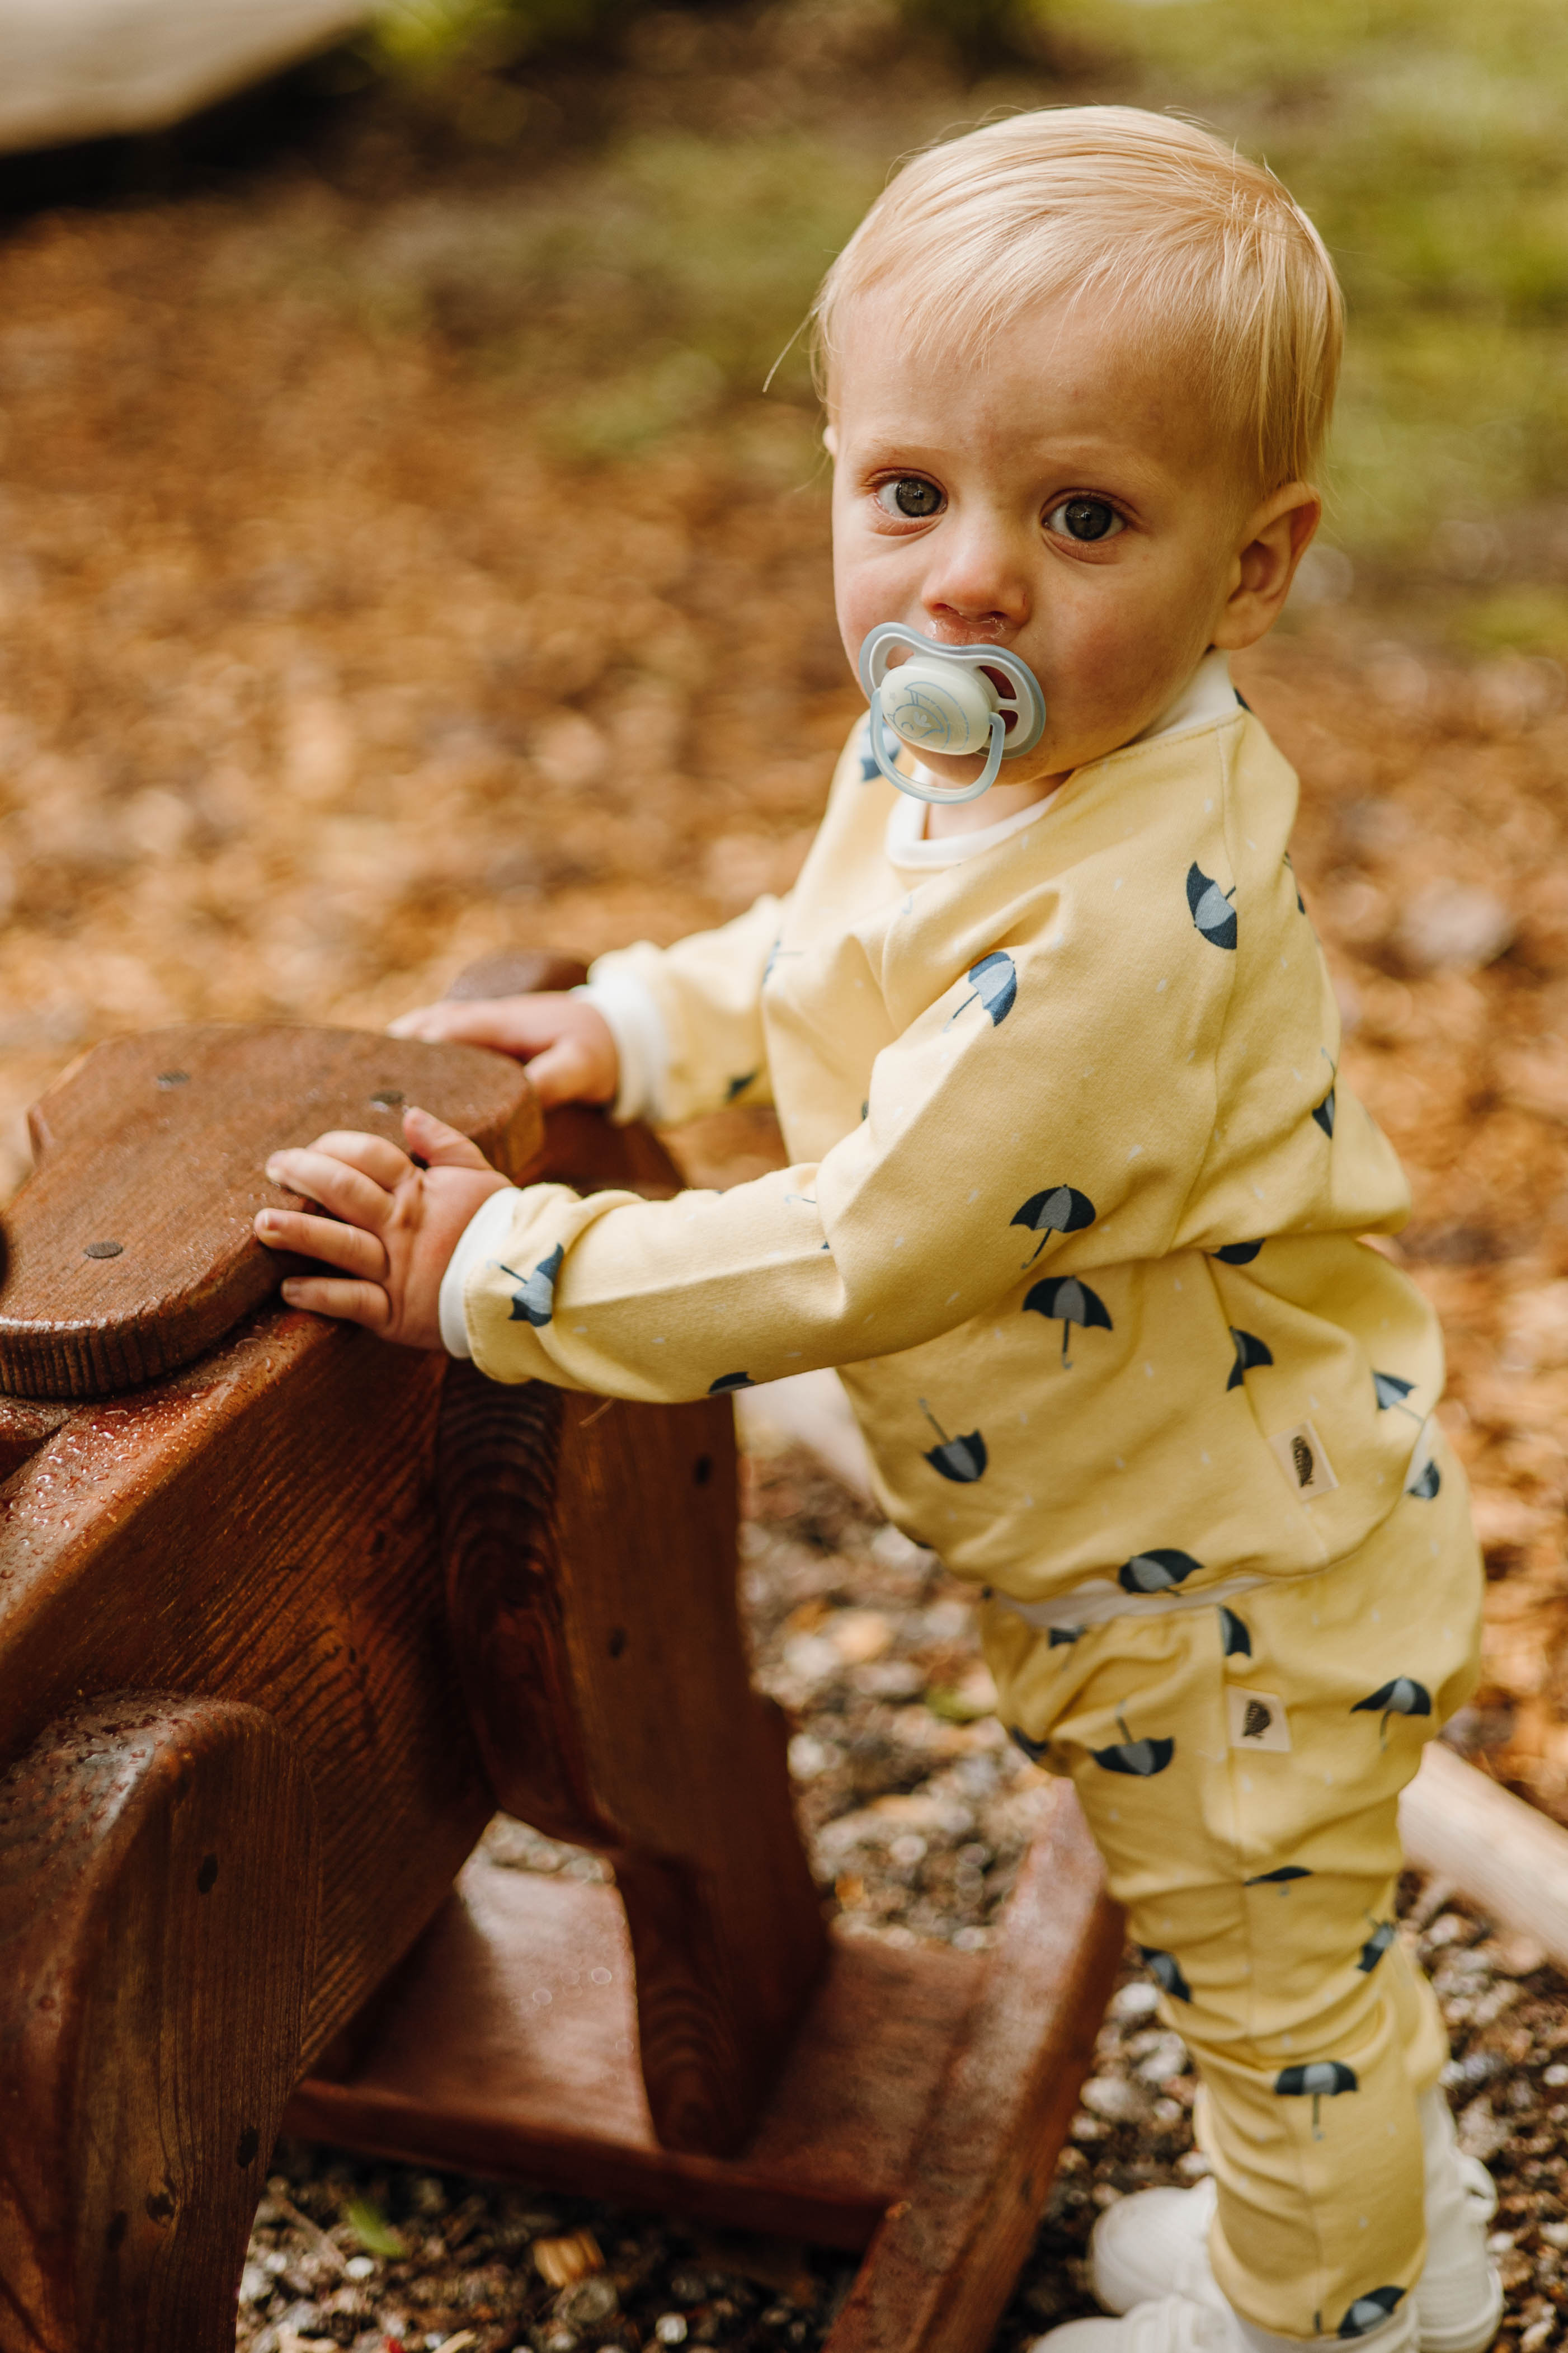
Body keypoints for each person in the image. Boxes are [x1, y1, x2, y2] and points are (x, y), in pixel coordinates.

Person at [253, 108, 1499, 2353]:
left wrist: (502, 1269)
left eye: (1080, 514)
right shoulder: (976, 753)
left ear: (1249, 566)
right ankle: (1356, 2232)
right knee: (1273, 1938)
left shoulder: (1127, 918)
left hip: (1223, 1559)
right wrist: (640, 1016)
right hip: (1138, 1509)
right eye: (907, 490)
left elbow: (861, 1246)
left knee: (1261, 1950)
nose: (967, 579)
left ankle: (1335, 2308)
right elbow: (830, 953)